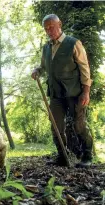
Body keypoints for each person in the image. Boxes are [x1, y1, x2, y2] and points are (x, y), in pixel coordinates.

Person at [31, 14, 93, 168]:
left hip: (75, 93)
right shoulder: (46, 47)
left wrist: (86, 91)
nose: (48, 30)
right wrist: (37, 71)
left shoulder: (73, 43)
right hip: (55, 94)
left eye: (51, 27)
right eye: (46, 28)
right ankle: (62, 157)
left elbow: (84, 69)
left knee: (79, 125)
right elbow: (44, 67)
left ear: (60, 24)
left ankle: (87, 156)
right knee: (56, 126)